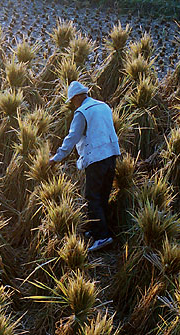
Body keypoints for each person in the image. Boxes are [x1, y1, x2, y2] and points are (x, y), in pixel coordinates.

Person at [49, 81, 120, 252]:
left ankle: (102, 237)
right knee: (103, 195)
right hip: (111, 155)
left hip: (96, 158)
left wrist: (57, 158)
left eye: (72, 100)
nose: (73, 104)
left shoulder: (82, 112)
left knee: (92, 197)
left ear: (78, 97)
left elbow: (72, 138)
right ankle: (99, 230)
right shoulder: (104, 106)